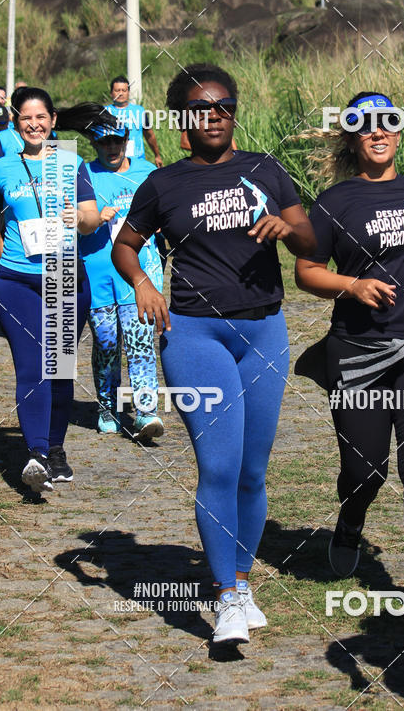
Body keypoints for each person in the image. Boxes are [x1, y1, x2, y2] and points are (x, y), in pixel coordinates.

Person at [111, 62, 316, 644]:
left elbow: (311, 241)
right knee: (219, 466)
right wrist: (143, 283)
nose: (215, 115)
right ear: (184, 118)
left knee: (252, 471)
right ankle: (225, 597)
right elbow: (125, 246)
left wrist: (288, 229)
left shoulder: (266, 170)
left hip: (264, 333)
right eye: (202, 108)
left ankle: (243, 582)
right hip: (194, 335)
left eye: (224, 105)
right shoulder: (163, 184)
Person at [295, 92, 404, 629]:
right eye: (365, 124)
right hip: (359, 353)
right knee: (365, 468)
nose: (378, 131)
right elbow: (306, 270)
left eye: (387, 120)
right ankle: (350, 521)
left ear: (398, 130)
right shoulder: (334, 202)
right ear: (351, 137)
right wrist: (352, 285)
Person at [0, 89, 104, 494]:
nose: (34, 124)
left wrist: (78, 217)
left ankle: (56, 448)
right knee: (32, 365)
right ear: (16, 122)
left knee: (59, 368)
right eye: (26, 118)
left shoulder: (70, 162)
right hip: (16, 280)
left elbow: (92, 219)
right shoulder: (3, 167)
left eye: (41, 117)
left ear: (52, 119)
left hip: (64, 276)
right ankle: (37, 454)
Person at [80, 118, 165, 440]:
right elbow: (70, 219)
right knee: (106, 344)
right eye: (104, 142)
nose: (112, 147)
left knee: (140, 342)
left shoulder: (147, 172)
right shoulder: (83, 174)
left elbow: (166, 211)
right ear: (94, 144)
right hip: (97, 271)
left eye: (117, 140)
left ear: (127, 139)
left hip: (139, 273)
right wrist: (91, 219)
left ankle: (146, 412)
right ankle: (107, 406)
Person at [105, 75, 163, 168]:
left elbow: (149, 135)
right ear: (111, 93)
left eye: (124, 90)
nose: (121, 93)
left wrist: (157, 155)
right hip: (112, 163)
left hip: (137, 162)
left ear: (128, 92)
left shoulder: (139, 111)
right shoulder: (105, 112)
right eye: (117, 90)